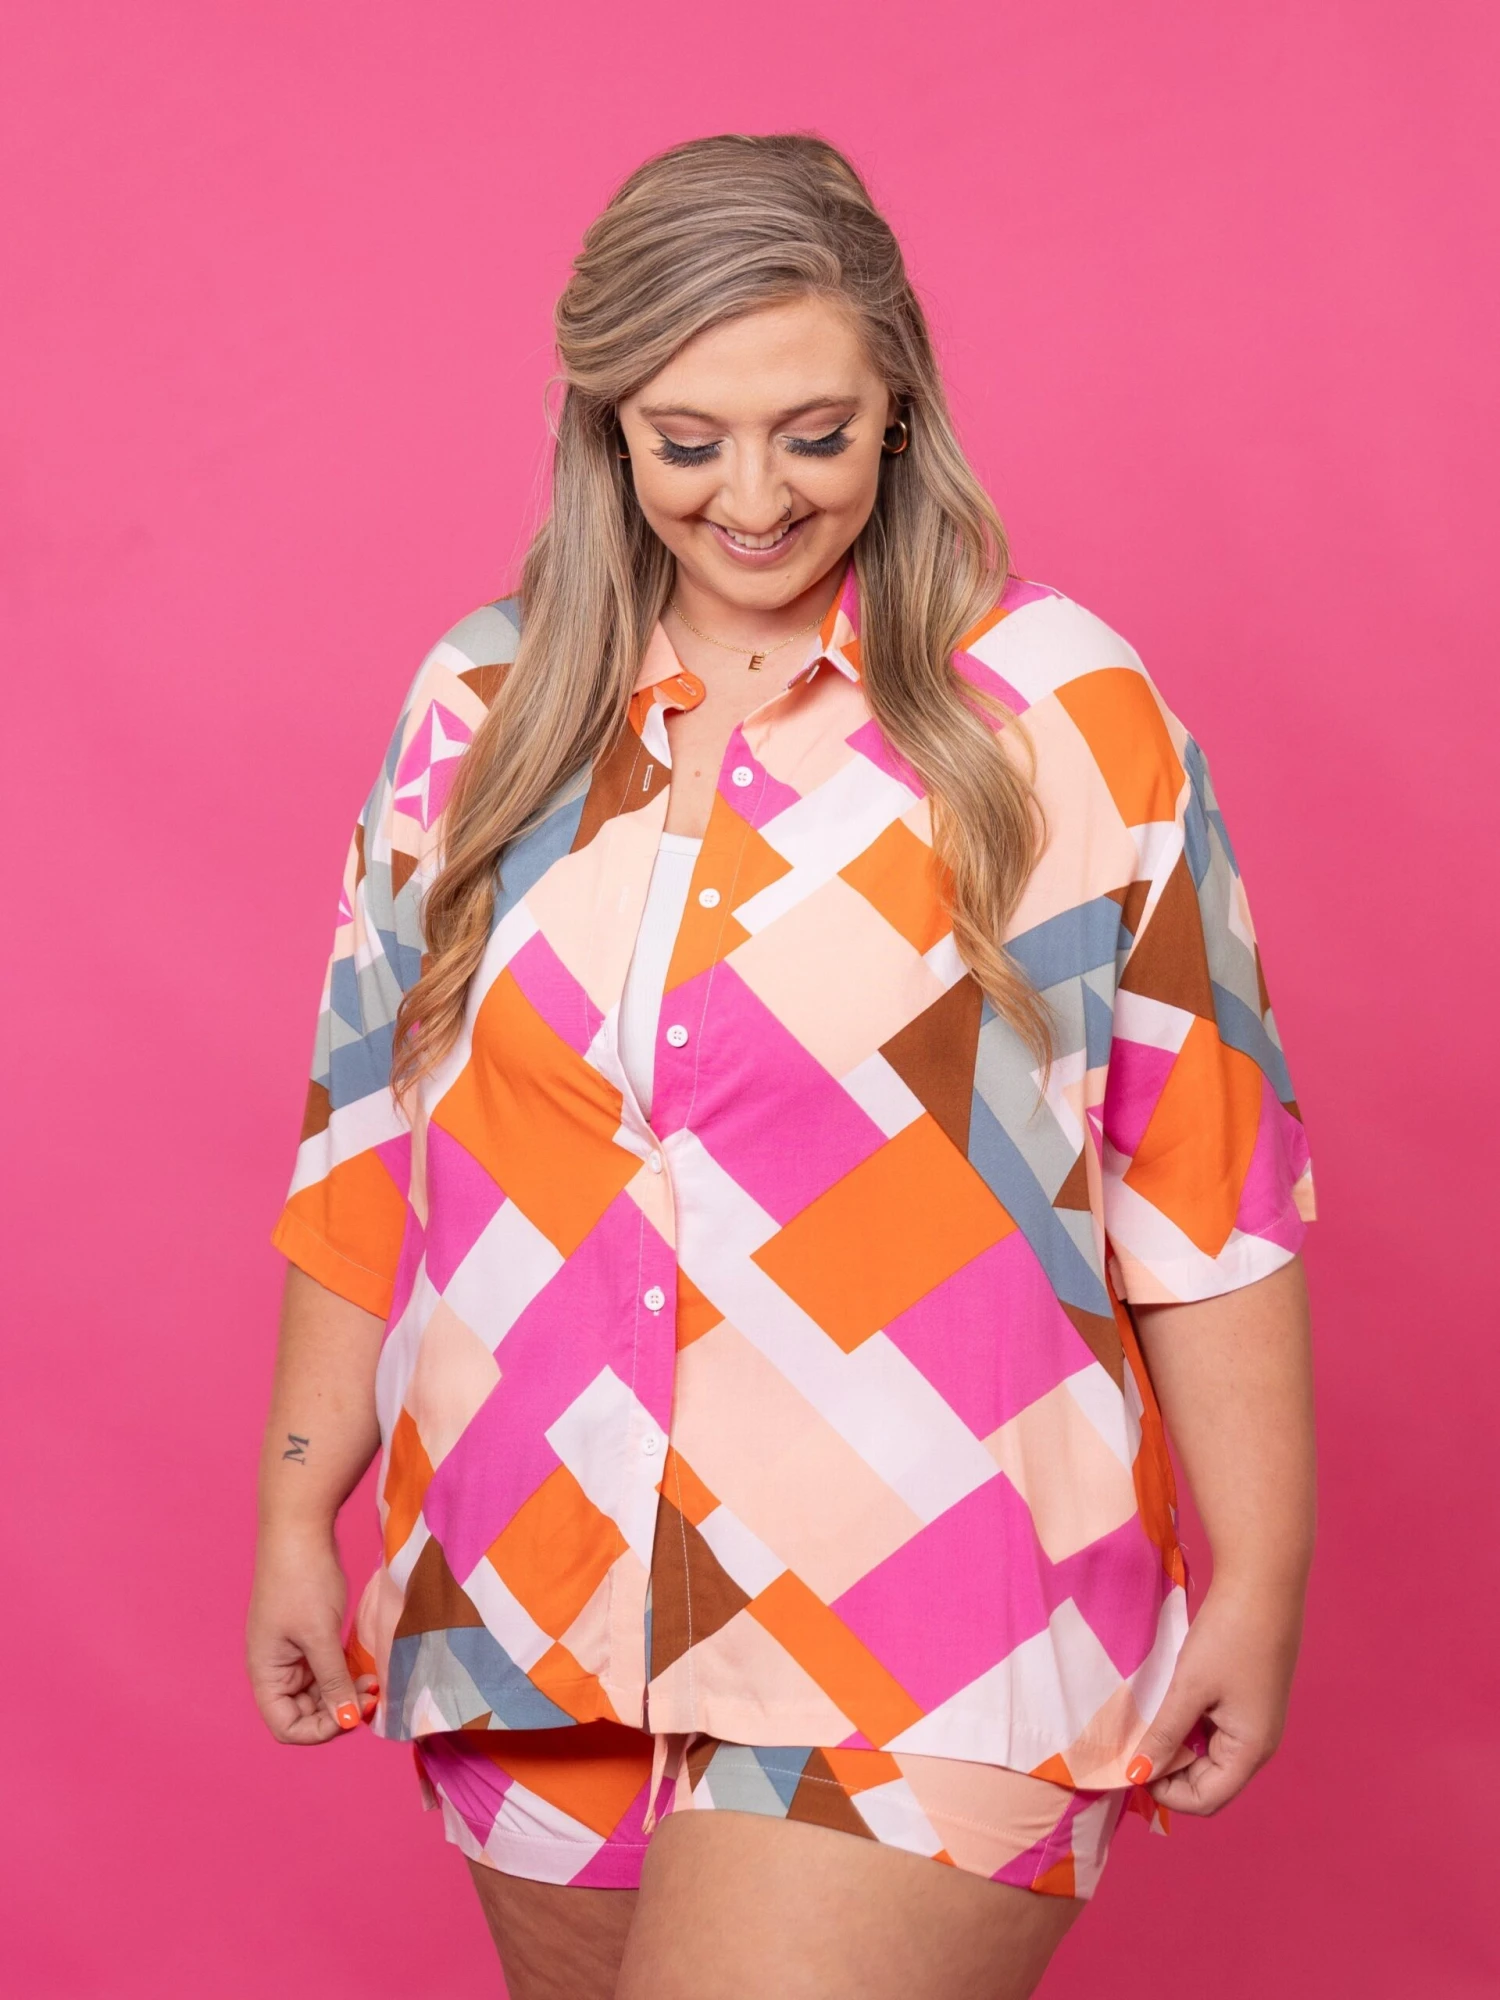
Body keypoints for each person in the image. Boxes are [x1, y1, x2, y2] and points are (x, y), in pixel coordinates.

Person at [246, 132, 1317, 2000]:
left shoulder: (1056, 709)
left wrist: (1264, 1572)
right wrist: (293, 1502)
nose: (754, 499)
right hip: (523, 1590)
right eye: (690, 442)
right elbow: (373, 1142)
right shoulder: (480, 709)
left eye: (814, 434)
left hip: (943, 1600)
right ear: (606, 426)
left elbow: (1202, 1172)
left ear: (899, 404)